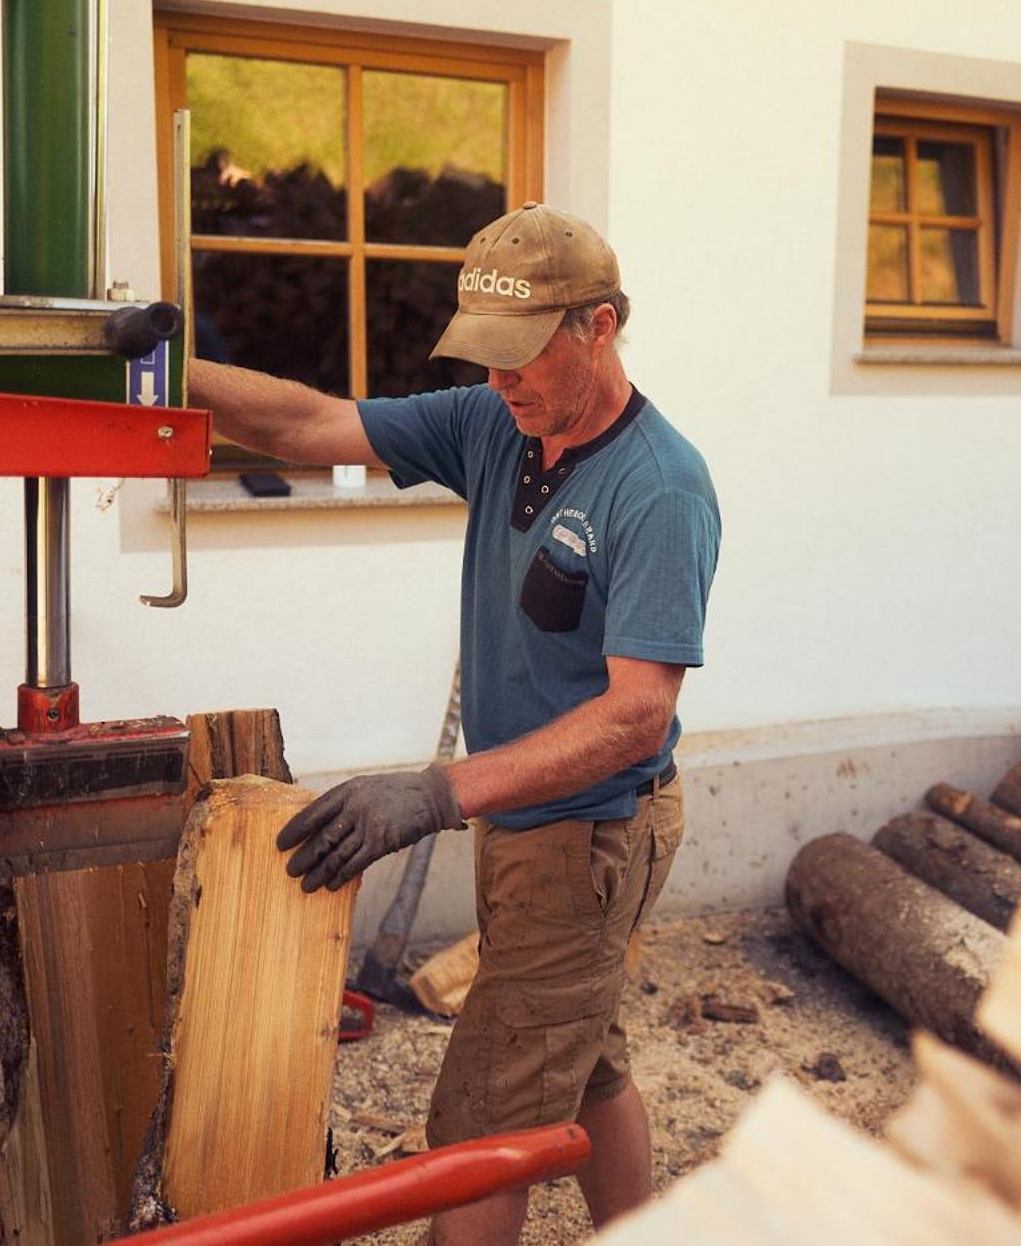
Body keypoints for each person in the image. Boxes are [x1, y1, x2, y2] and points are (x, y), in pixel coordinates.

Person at [188, 202, 720, 1244]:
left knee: (479, 1127)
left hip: (590, 835)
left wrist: (431, 793)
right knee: (587, 1055)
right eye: (483, 358)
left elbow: (633, 713)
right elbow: (302, 425)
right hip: (529, 824)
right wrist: (165, 366)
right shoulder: (496, 424)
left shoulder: (656, 487)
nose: (498, 382)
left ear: (598, 327)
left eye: (518, 357)